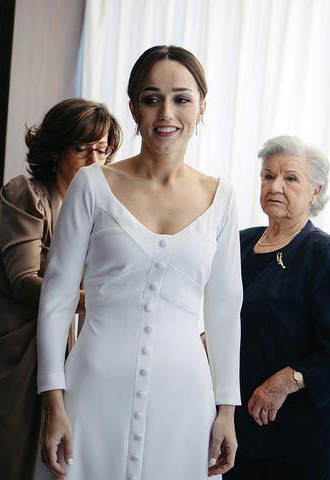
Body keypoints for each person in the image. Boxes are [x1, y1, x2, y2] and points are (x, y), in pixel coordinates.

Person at [35, 46, 243, 480]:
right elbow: (55, 299)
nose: (166, 112)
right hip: (92, 393)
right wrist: (53, 400)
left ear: (202, 108)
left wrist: (226, 409)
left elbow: (224, 312)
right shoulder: (92, 187)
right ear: (133, 108)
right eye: (152, 99)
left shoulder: (221, 198)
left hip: (184, 401)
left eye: (181, 98)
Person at [0, 98, 122, 480]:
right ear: (55, 150)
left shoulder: (93, 207)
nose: (94, 161)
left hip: (55, 347)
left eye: (102, 150)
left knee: (48, 459)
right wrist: (96, 302)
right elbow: (22, 279)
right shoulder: (26, 193)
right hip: (8, 348)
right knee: (0, 460)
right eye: (81, 149)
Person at [225, 135, 330, 480]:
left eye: (290, 178)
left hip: (298, 433)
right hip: (237, 420)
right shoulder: (240, 242)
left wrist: (286, 381)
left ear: (315, 192)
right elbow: (234, 314)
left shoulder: (327, 254)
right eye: (267, 175)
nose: (275, 186)